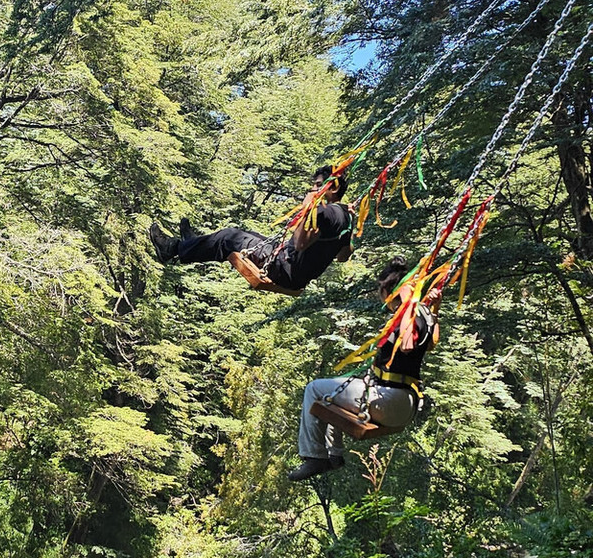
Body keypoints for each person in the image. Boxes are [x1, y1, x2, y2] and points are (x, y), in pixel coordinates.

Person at [288, 256, 440, 482]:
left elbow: (408, 346)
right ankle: (334, 456)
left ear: (389, 293)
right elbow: (430, 343)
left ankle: (315, 457)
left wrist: (407, 303)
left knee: (314, 389)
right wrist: (435, 306)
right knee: (332, 393)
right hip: (406, 404)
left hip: (390, 401)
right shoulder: (424, 313)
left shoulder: (407, 314)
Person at [149, 166, 354, 291]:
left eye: (318, 185)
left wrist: (306, 208)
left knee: (229, 237)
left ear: (333, 187)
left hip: (282, 268)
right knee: (246, 235)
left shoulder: (323, 211)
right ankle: (191, 243)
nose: (313, 189)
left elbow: (300, 243)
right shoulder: (346, 216)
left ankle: (173, 248)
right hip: (295, 274)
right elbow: (343, 255)